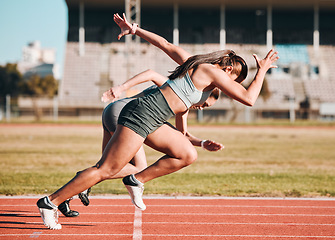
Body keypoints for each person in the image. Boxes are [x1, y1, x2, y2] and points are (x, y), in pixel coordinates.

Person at [37, 13, 279, 230]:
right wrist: (263, 70)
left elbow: (164, 44)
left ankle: (136, 180)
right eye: (236, 78)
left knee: (186, 154)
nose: (233, 85)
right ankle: (50, 202)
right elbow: (249, 99)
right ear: (228, 69)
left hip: (154, 117)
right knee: (106, 169)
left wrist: (135, 30)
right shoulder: (213, 71)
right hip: (143, 113)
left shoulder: (194, 64)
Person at [59, 69, 222, 217]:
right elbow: (151, 74)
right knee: (137, 167)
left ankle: (65, 196)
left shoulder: (183, 103)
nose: (201, 108)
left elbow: (182, 134)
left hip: (113, 110)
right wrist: (121, 87)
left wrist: (202, 143)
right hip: (125, 114)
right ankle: (74, 187)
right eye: (205, 104)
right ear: (204, 92)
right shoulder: (178, 88)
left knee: (105, 167)